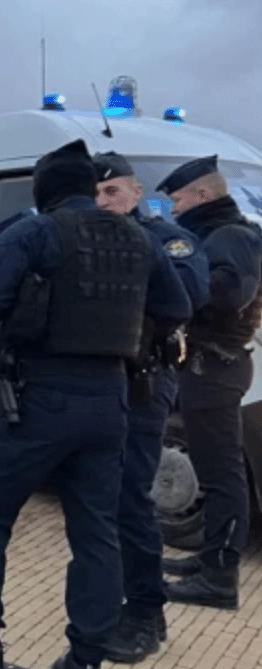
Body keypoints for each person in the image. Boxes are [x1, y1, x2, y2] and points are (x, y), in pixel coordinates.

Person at [0, 140, 191, 669]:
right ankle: (84, 665)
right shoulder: (139, 237)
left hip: (40, 397)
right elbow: (177, 306)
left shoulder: (36, 231)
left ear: (44, 189)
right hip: (111, 400)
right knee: (96, 529)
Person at [92, 151, 210, 662]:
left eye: (112, 191)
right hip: (96, 382)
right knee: (99, 498)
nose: (103, 202)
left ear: (137, 193)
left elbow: (189, 292)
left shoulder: (166, 240)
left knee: (130, 498)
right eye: (95, 194)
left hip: (143, 379)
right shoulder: (82, 240)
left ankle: (145, 612)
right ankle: (115, 599)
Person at [157, 155, 262, 610]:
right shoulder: (221, 234)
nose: (173, 208)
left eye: (178, 200)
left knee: (222, 476)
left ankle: (219, 578)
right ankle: (209, 558)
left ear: (203, 194)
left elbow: (232, 293)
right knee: (216, 470)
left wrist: (179, 285)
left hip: (215, 368)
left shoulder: (230, 236)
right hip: (210, 366)